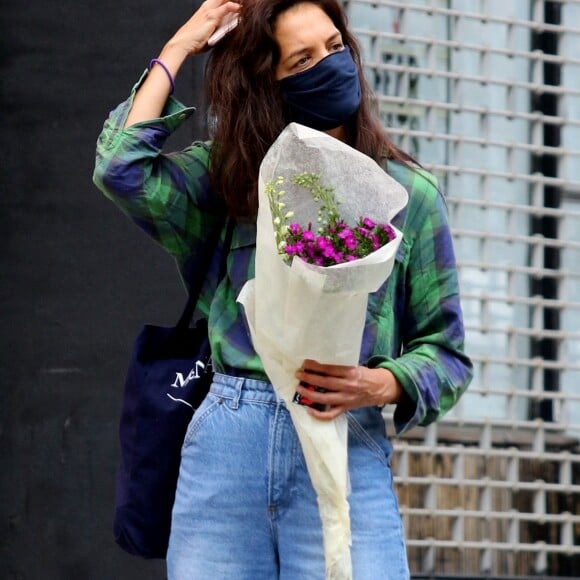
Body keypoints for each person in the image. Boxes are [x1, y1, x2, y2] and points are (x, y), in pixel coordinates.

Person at [93, 0, 473, 578]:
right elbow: (122, 170)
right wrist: (178, 49)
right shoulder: (231, 181)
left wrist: (381, 383)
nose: (329, 64)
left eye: (334, 47)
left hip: (343, 443)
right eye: (302, 60)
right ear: (268, 85)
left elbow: (447, 353)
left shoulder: (408, 196)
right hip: (228, 448)